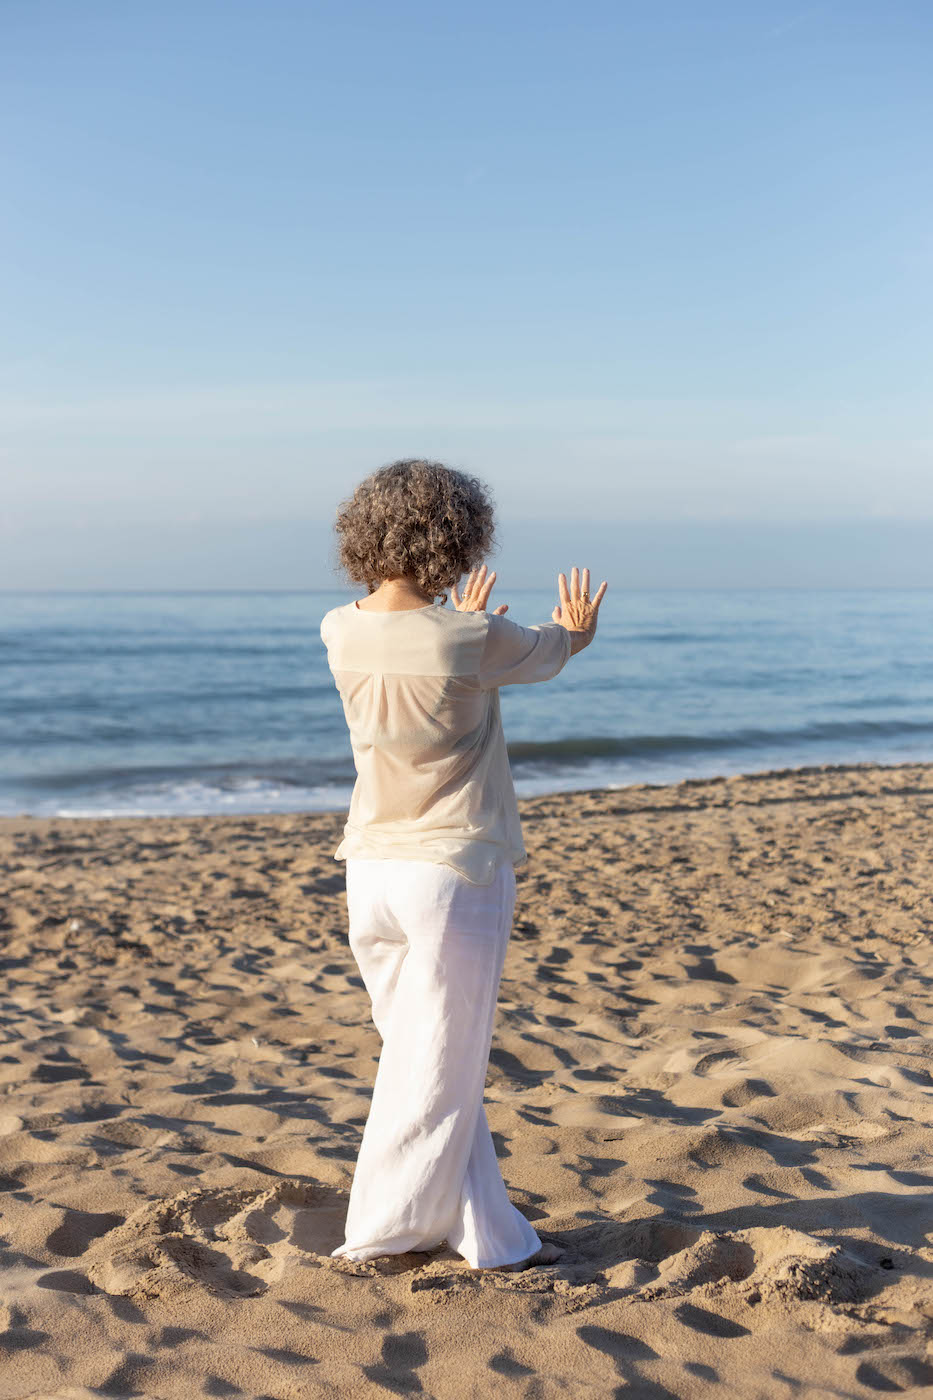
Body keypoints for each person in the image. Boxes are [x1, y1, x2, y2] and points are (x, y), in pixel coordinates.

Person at [319, 458, 607, 1272]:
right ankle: (379, 1233)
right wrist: (577, 630)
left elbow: (428, 651)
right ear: (458, 537)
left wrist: (462, 622)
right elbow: (549, 650)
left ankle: (490, 1235)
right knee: (438, 1065)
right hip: (452, 871)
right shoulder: (470, 639)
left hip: (370, 869)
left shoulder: (337, 627)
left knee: (428, 1062)